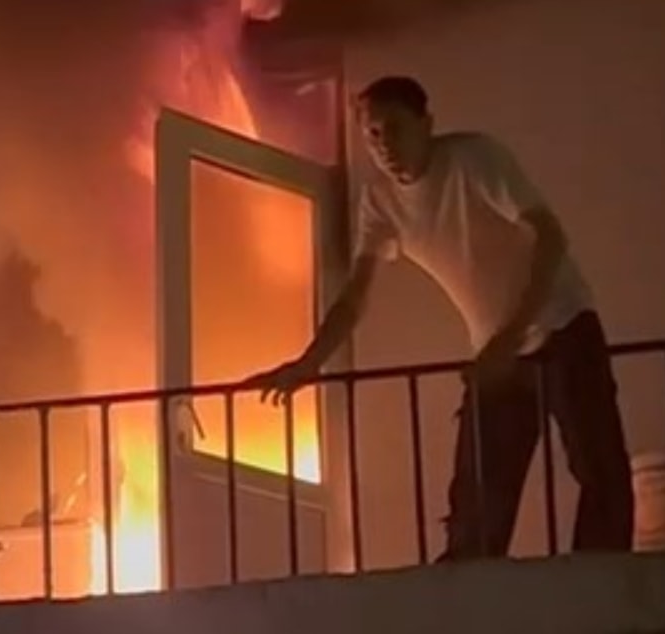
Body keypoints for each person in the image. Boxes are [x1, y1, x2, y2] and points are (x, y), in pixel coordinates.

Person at [248, 76, 634, 560]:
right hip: (497, 352)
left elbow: (550, 237)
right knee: (478, 495)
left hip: (563, 325)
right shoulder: (381, 202)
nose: (384, 145)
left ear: (426, 124)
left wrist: (510, 335)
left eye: (395, 128)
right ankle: (464, 582)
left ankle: (599, 576)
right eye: (372, 135)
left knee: (597, 465)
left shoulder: (474, 159)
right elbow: (355, 297)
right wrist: (309, 364)